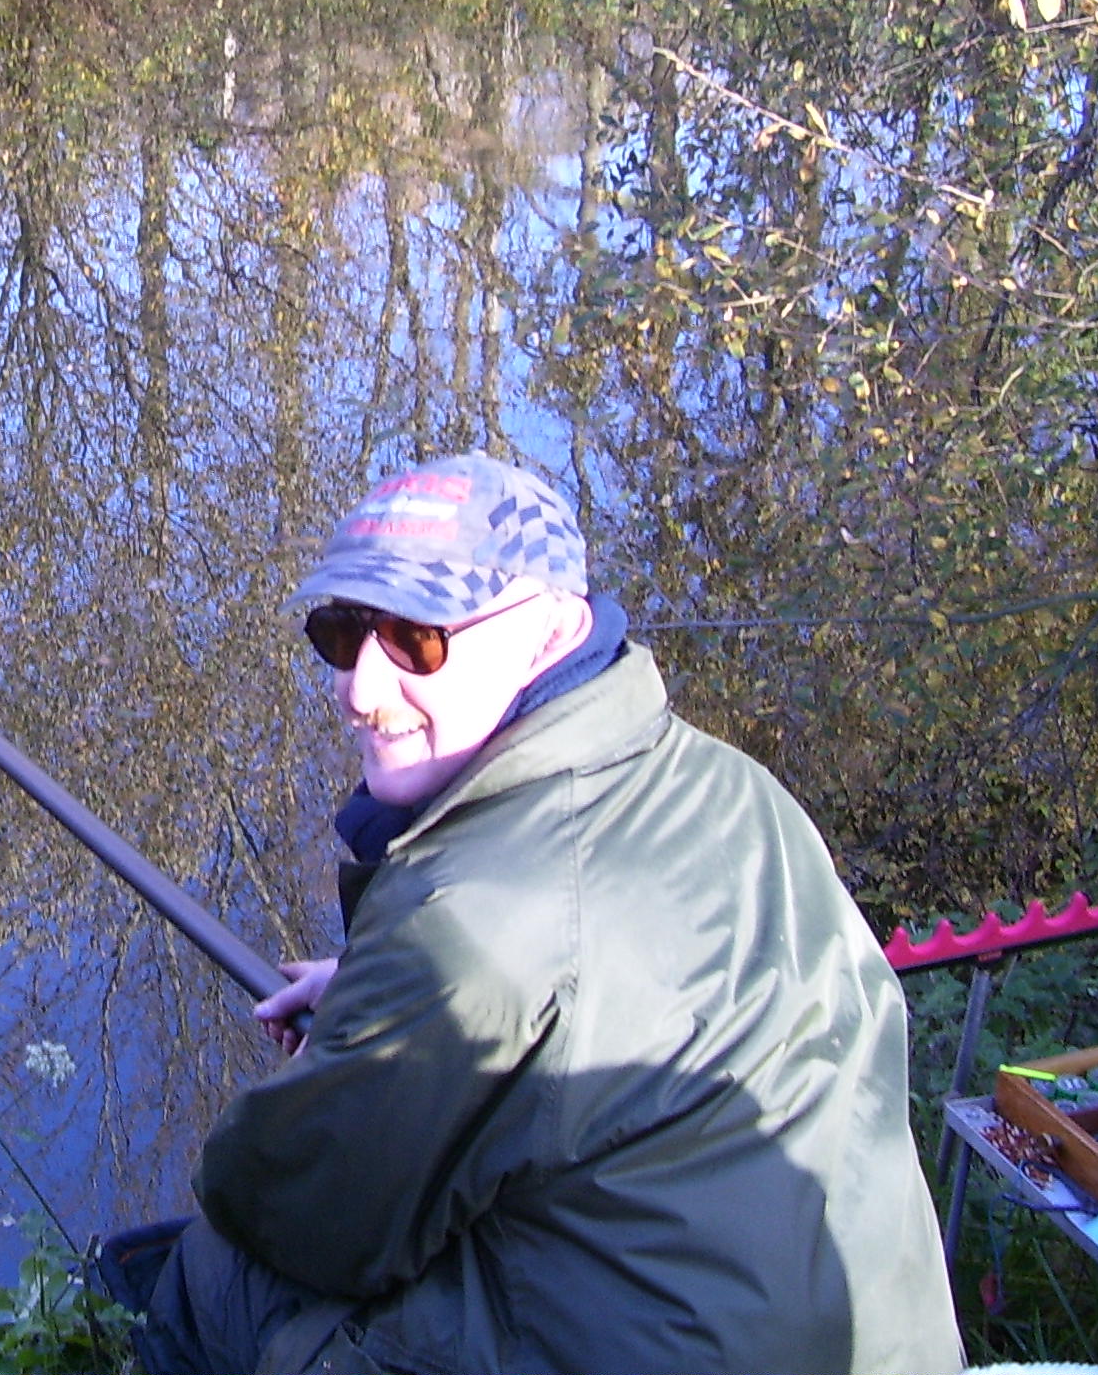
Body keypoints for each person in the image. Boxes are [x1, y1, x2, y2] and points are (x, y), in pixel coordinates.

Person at [132, 453, 961, 1375]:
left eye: (417, 638)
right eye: (342, 632)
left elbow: (297, 1209)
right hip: (879, 1341)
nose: (359, 689)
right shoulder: (733, 787)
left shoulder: (470, 931)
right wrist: (384, 989)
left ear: (551, 631)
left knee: (216, 1268)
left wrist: (405, 1002)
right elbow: (600, 971)